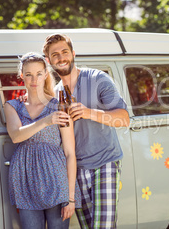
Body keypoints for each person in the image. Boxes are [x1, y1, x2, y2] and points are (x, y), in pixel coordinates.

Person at [42, 34, 130, 229]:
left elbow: (123, 118)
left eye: (65, 52)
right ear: (49, 61)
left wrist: (89, 112)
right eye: (55, 55)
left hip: (105, 163)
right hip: (77, 171)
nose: (61, 57)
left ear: (73, 54)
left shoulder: (97, 78)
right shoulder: (54, 95)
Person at [5, 52, 81, 229]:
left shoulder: (59, 106)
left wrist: (70, 197)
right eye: (29, 74)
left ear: (46, 74)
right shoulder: (12, 106)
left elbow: (70, 153)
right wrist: (46, 120)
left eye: (39, 73)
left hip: (56, 180)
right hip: (25, 182)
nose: (34, 79)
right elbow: (16, 136)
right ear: (22, 75)